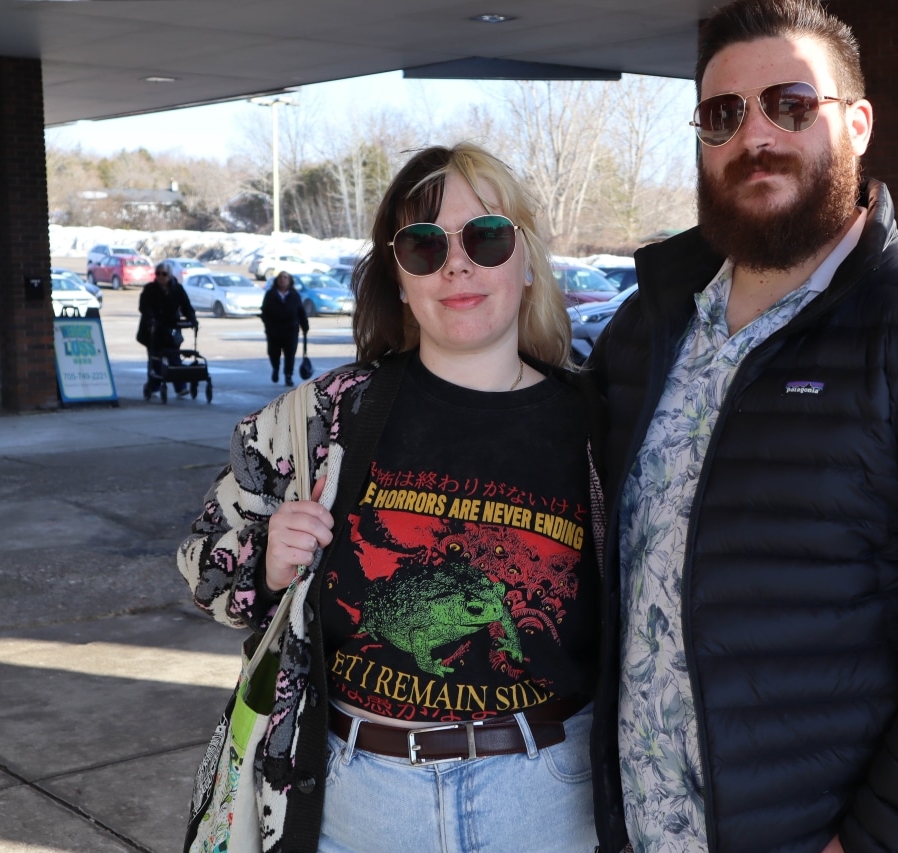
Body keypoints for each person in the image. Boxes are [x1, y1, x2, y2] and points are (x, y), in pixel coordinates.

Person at [585, 1, 898, 851]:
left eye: (791, 104)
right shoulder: (648, 328)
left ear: (856, 123)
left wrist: (884, 836)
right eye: (722, 113)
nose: (757, 136)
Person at [179, 142, 607, 852]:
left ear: (526, 260)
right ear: (399, 276)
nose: (457, 264)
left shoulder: (601, 426)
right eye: (425, 245)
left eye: (487, 237)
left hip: (545, 799)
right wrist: (266, 564)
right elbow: (203, 569)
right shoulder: (320, 423)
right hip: (360, 799)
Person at [138, 262, 197, 398]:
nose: (160, 277)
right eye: (157, 273)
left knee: (174, 357)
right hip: (153, 330)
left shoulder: (178, 289)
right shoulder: (150, 289)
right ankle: (154, 387)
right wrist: (151, 319)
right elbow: (144, 307)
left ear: (169, 276)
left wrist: (192, 319)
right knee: (155, 359)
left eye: (163, 274)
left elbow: (186, 306)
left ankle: (180, 387)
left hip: (171, 329)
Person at [261, 270, 309, 386]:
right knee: (273, 354)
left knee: (290, 355)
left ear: (289, 281)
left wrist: (305, 326)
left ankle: (288, 376)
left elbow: (301, 311)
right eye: (281, 277)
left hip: (291, 331)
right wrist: (268, 326)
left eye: (285, 277)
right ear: (277, 280)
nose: (283, 279)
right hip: (274, 331)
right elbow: (264, 312)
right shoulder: (271, 294)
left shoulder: (294, 295)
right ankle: (276, 369)